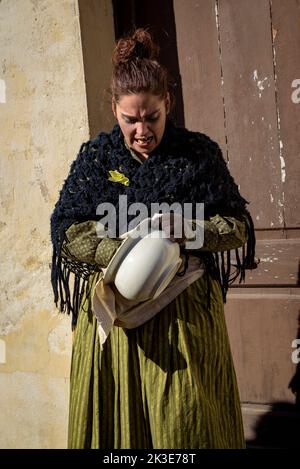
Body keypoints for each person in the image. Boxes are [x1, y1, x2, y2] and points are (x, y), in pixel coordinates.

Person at [50, 28, 256, 449]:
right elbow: (67, 228)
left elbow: (236, 225)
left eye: (152, 117)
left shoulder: (197, 155)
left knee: (185, 424)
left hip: (183, 315)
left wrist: (191, 230)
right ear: (114, 109)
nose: (142, 130)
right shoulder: (97, 160)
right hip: (115, 318)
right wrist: (119, 252)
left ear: (168, 105)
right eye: (130, 119)